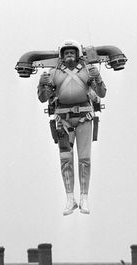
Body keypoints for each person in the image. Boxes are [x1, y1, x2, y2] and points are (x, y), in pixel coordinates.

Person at [37, 40, 106, 215]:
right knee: (65, 159)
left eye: (72, 53)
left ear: (77, 54)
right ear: (62, 55)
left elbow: (102, 93)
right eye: (66, 53)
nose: (69, 55)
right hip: (63, 120)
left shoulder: (87, 70)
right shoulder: (53, 73)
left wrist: (97, 77)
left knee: (85, 159)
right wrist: (42, 84)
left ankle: (84, 196)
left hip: (84, 117)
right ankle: (70, 198)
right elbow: (43, 98)